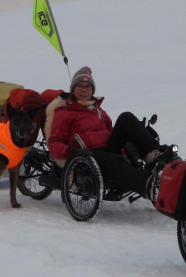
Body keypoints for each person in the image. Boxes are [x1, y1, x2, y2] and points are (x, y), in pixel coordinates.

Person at [47, 66, 167, 198]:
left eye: (88, 87)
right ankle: (148, 183)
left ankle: (155, 158)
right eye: (79, 86)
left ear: (92, 90)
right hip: (89, 153)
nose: (84, 90)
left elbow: (111, 132)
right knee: (115, 161)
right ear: (73, 90)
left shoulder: (98, 110)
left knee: (126, 118)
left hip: (107, 148)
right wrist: (67, 150)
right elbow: (54, 142)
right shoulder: (65, 112)